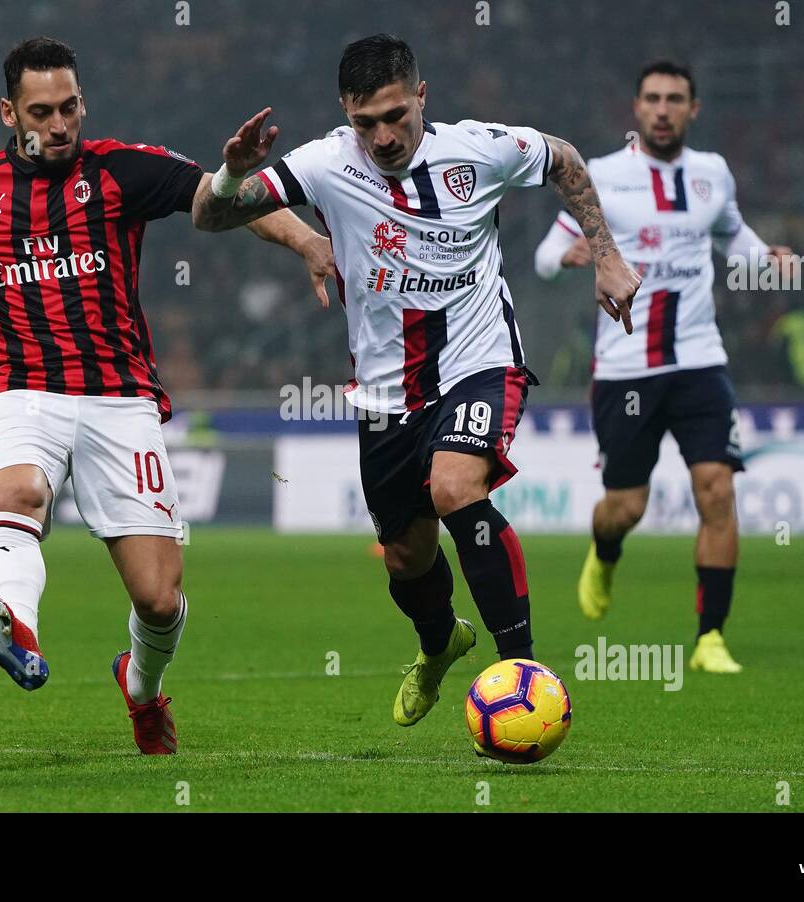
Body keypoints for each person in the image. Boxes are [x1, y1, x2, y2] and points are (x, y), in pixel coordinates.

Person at [0, 36, 334, 754]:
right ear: (8, 112)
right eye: (41, 110)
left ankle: (140, 686)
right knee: (16, 495)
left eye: (69, 107)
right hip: (23, 393)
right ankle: (17, 629)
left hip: (119, 402)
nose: (58, 123)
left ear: (83, 104)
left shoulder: (120, 172)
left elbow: (217, 201)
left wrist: (301, 238)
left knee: (159, 599)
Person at [192, 34, 639, 740]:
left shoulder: (477, 149)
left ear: (421, 96)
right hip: (383, 395)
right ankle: (439, 643)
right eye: (367, 121)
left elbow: (564, 159)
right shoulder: (324, 162)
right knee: (407, 558)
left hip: (479, 361)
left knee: (456, 487)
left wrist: (607, 260)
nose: (384, 135)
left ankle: (521, 676)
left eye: (396, 115)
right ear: (346, 111)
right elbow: (208, 215)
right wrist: (229, 173)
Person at [534, 60, 794, 673]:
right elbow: (545, 257)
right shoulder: (599, 175)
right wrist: (572, 256)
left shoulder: (713, 175)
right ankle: (604, 551)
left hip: (702, 362)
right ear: (636, 108)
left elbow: (739, 243)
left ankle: (710, 639)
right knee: (626, 506)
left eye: (675, 99)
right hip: (627, 368)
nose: (662, 109)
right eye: (652, 98)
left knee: (718, 490)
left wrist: (771, 258)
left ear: (693, 109)